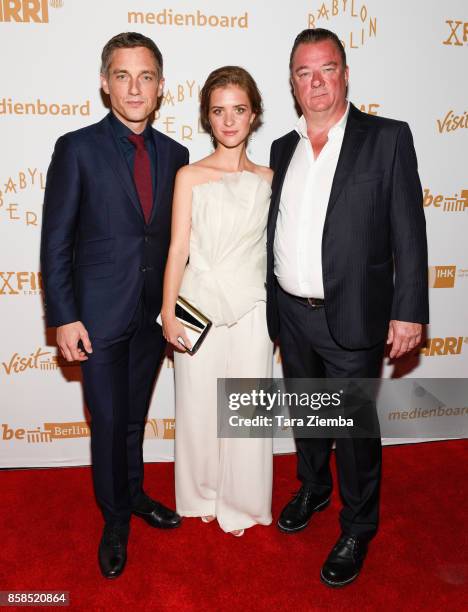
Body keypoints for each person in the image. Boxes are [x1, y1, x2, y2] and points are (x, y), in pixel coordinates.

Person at [267, 28, 428, 587]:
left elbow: (409, 232)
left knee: (355, 429)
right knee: (308, 414)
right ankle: (313, 486)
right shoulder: (281, 148)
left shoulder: (385, 138)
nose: (316, 82)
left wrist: (408, 310)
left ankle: (358, 525)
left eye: (326, 69)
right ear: (292, 82)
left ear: (345, 73)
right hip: (291, 310)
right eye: (304, 72)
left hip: (355, 315)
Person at [40, 32, 189, 579]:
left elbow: (175, 241)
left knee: (132, 419)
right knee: (106, 421)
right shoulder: (76, 147)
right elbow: (56, 240)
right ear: (105, 84)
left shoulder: (176, 155)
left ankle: (135, 494)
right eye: (123, 75)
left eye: (146, 76)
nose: (134, 87)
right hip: (95, 316)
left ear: (160, 87)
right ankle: (115, 519)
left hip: (152, 315)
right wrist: (63, 315)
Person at [161, 66, 273, 537]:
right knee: (199, 403)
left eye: (239, 110)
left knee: (247, 406)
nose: (229, 121)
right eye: (218, 111)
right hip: (197, 302)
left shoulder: (270, 177)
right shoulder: (189, 175)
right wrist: (167, 311)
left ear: (254, 115)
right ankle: (201, 494)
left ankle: (244, 500)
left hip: (252, 305)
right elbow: (178, 248)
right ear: (207, 118)